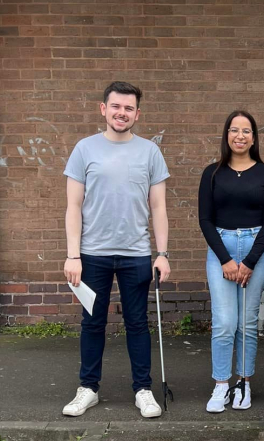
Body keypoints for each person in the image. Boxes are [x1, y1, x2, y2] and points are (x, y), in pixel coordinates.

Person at [61, 81, 171, 418]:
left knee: (138, 324)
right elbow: (73, 206)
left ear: (137, 113)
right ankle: (88, 389)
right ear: (103, 109)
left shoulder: (150, 152)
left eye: (128, 108)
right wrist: (73, 255)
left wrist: (163, 253)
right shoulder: (84, 149)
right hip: (92, 255)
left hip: (136, 253)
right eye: (116, 106)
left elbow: (159, 208)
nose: (121, 113)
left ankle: (143, 390)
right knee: (92, 323)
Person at [198, 111, 264, 413]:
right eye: (234, 130)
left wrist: (249, 261)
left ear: (254, 137)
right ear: (227, 135)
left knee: (246, 322)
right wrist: (226, 259)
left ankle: (244, 382)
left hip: (255, 249)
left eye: (246, 131)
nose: (240, 136)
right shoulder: (212, 173)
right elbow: (205, 220)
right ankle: (221, 384)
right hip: (221, 248)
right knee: (224, 322)